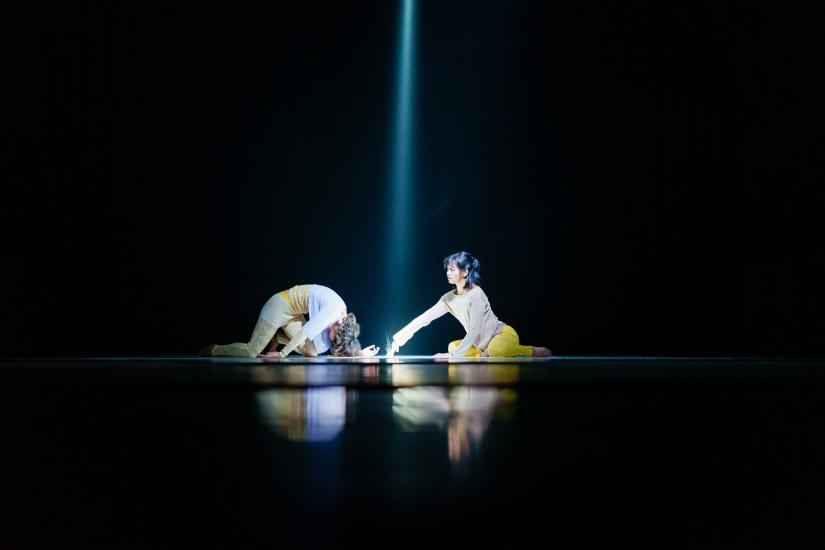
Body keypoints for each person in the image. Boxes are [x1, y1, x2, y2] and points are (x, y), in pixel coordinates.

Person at [388, 252, 551, 358]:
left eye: (452, 269)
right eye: (447, 269)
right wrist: (399, 339)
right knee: (452, 345)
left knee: (497, 350)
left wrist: (453, 356)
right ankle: (482, 354)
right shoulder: (448, 299)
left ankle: (532, 350)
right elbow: (424, 318)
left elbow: (475, 330)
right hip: (479, 344)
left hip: (501, 335)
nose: (447, 273)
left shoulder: (476, 294)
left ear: (465, 272)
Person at [200, 284, 379, 358]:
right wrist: (282, 354)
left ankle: (278, 338)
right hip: (279, 307)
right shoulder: (333, 312)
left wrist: (358, 353)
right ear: (339, 324)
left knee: (313, 351)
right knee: (251, 351)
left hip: (294, 317)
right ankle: (215, 349)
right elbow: (305, 332)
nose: (329, 335)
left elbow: (334, 349)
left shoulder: (342, 318)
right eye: (333, 333)